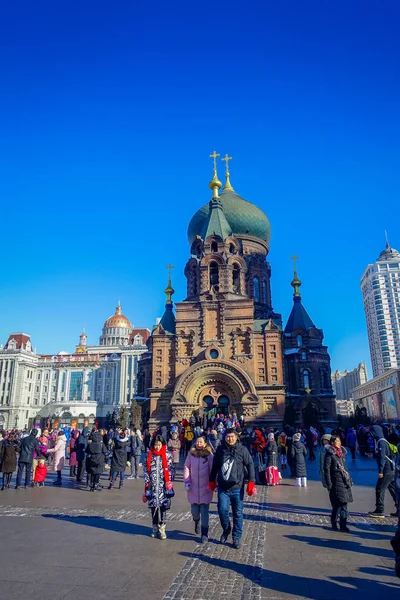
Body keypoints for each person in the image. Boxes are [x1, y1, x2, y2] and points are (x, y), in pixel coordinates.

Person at [209, 428, 256, 550]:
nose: (230, 439)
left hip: (237, 487)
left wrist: (251, 481)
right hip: (223, 488)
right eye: (228, 436)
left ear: (236, 437)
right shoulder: (220, 450)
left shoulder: (242, 450)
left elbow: (250, 464)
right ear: (225, 437)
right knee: (222, 510)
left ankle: (236, 537)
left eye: (232, 436)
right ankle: (226, 529)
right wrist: (211, 480)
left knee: (238, 513)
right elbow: (214, 466)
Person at [143, 435, 174, 539]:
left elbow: (171, 469)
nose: (157, 447)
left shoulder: (167, 455)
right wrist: (147, 482)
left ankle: (162, 528)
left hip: (163, 486)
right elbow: (145, 469)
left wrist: (169, 481)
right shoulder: (149, 455)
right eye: (155, 445)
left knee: (163, 507)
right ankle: (154, 527)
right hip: (152, 485)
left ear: (162, 444)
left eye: (159, 445)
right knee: (153, 507)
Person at [184, 434, 214, 543]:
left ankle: (204, 533)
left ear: (205, 443)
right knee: (195, 511)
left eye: (201, 442)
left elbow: (212, 469)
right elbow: (187, 466)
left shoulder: (209, 455)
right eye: (197, 441)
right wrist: (187, 481)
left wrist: (213, 482)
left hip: (205, 488)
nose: (199, 443)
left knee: (205, 511)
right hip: (193, 487)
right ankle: (196, 520)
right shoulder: (191, 454)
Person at [324, 435, 353, 532]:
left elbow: (345, 468)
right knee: (338, 504)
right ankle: (334, 522)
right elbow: (326, 469)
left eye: (340, 441)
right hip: (336, 481)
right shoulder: (329, 454)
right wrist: (329, 483)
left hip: (344, 481)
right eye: (337, 441)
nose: (339, 442)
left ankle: (343, 524)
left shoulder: (341, 453)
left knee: (344, 504)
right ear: (332, 443)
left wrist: (349, 479)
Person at [368, 424, 397, 518]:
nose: (371, 434)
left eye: (371, 432)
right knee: (393, 490)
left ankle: (379, 510)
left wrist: (380, 471)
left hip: (386, 471)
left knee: (379, 489)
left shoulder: (381, 442)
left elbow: (382, 458)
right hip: (391, 470)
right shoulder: (384, 441)